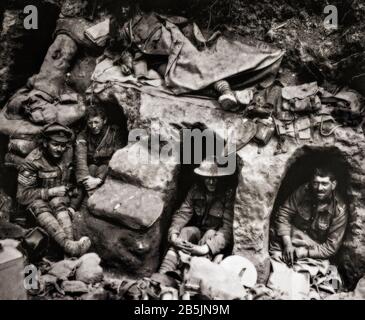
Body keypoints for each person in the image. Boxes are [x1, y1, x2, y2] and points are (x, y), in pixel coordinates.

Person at [17, 122, 91, 257]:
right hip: (37, 205)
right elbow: (22, 196)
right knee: (40, 205)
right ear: (45, 143)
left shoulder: (68, 153)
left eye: (63, 145)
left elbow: (79, 180)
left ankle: (69, 252)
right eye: (55, 144)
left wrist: (73, 206)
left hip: (61, 202)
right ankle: (70, 247)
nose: (60, 149)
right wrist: (50, 192)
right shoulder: (33, 161)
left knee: (58, 202)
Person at [158, 159, 235, 275]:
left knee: (210, 233)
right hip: (198, 233)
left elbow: (227, 229)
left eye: (215, 178)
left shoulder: (227, 194)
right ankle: (164, 274)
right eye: (208, 178)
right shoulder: (195, 190)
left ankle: (190, 275)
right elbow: (183, 213)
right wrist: (174, 235)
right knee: (187, 231)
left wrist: (206, 248)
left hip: (214, 241)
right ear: (202, 177)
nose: (211, 182)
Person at [270, 167, 348, 265]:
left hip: (313, 248)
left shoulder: (339, 209)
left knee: (320, 274)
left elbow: (331, 247)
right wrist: (287, 244)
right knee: (275, 260)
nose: (319, 188)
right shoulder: (304, 190)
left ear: (333, 185)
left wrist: (305, 253)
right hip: (290, 236)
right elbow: (284, 214)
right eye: (316, 183)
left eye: (324, 184)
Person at [75, 106, 125, 194]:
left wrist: (99, 179)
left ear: (104, 121)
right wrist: (86, 180)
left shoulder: (114, 134)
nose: (93, 126)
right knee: (91, 168)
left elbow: (118, 159)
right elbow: (80, 158)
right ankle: (74, 207)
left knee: (102, 168)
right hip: (90, 170)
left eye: (96, 122)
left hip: (108, 171)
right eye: (90, 123)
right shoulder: (83, 135)